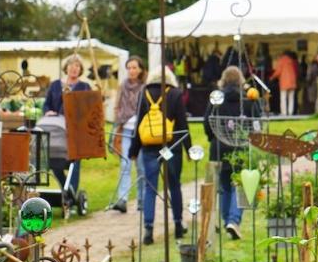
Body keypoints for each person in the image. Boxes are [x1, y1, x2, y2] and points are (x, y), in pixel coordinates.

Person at [129, 68, 190, 246]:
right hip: (171, 146)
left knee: (150, 187)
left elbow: (139, 123)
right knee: (174, 185)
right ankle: (178, 224)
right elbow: (182, 123)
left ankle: (148, 229)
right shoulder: (176, 94)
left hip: (149, 147)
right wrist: (188, 149)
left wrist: (134, 150)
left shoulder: (144, 93)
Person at [203, 66, 260, 239]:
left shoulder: (216, 99)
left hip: (219, 148)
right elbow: (256, 124)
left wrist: (213, 138)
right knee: (240, 185)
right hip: (241, 148)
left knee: (225, 187)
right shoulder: (249, 99)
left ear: (223, 80)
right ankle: (233, 221)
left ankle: (227, 219)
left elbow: (207, 123)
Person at [43, 53, 92, 191]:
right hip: (57, 131)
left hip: (76, 132)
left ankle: (72, 196)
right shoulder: (55, 85)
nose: (74, 68)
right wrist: (48, 112)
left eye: (77, 65)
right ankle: (67, 192)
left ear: (80, 69)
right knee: (54, 163)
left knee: (74, 164)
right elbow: (46, 105)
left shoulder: (84, 86)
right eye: (71, 65)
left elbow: (90, 108)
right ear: (66, 67)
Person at [109, 56, 147, 213]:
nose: (131, 71)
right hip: (125, 129)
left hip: (140, 131)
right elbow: (117, 105)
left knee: (141, 166)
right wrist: (118, 118)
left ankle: (142, 200)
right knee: (125, 164)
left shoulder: (145, 87)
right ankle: (122, 199)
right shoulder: (122, 86)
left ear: (140, 69)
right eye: (129, 68)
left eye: (134, 68)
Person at [270, 50, 299, 116]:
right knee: (291, 98)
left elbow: (278, 72)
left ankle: (284, 113)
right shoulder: (291, 60)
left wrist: (272, 77)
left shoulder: (281, 61)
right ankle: (290, 113)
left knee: (283, 98)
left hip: (284, 81)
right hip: (292, 81)